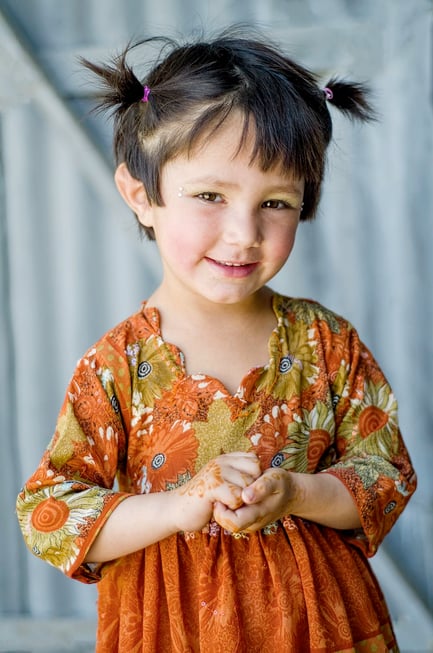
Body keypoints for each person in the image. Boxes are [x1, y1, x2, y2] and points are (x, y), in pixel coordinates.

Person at [16, 27, 417, 652]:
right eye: (209, 195)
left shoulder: (326, 343)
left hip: (320, 629)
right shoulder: (116, 365)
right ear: (142, 195)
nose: (243, 233)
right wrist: (177, 508)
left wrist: (294, 492)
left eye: (276, 203)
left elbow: (384, 473)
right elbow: (51, 513)